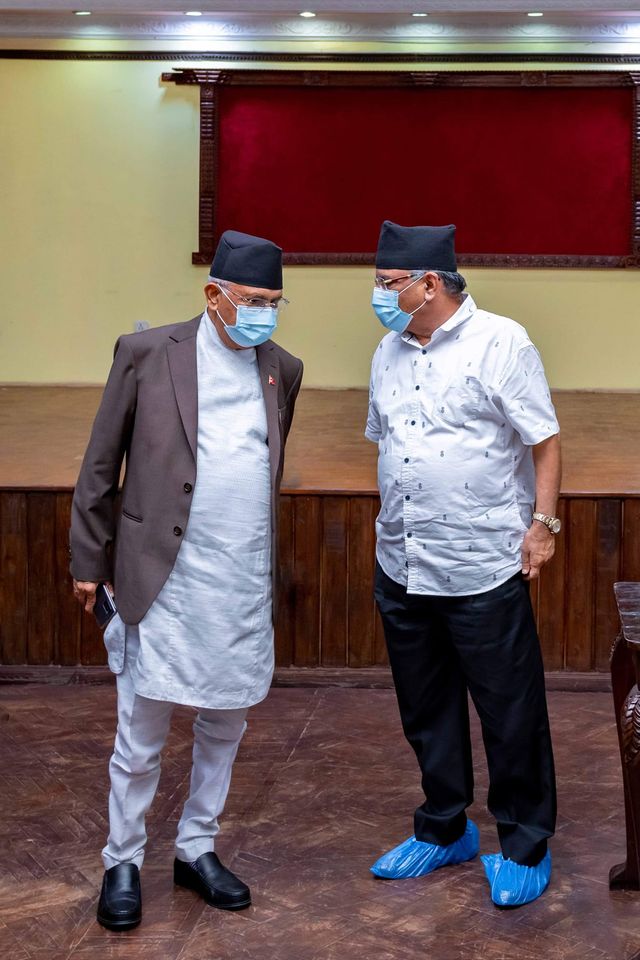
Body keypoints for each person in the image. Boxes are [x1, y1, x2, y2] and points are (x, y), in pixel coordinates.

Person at [69, 230, 303, 930]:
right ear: (213, 295)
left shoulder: (282, 369)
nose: (263, 314)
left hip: (239, 581)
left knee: (225, 724)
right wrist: (89, 559)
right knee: (140, 733)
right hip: (162, 577)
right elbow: (100, 462)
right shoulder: (147, 354)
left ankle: (197, 847)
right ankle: (122, 860)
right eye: (252, 300)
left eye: (274, 301)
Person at [366, 220, 561, 908]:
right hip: (404, 560)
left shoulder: (502, 342)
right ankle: (444, 828)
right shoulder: (387, 351)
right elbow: (386, 440)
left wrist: (543, 526)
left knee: (510, 713)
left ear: (430, 283)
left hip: (481, 563)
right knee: (426, 709)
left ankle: (525, 845)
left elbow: (544, 440)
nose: (377, 295)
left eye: (387, 283)